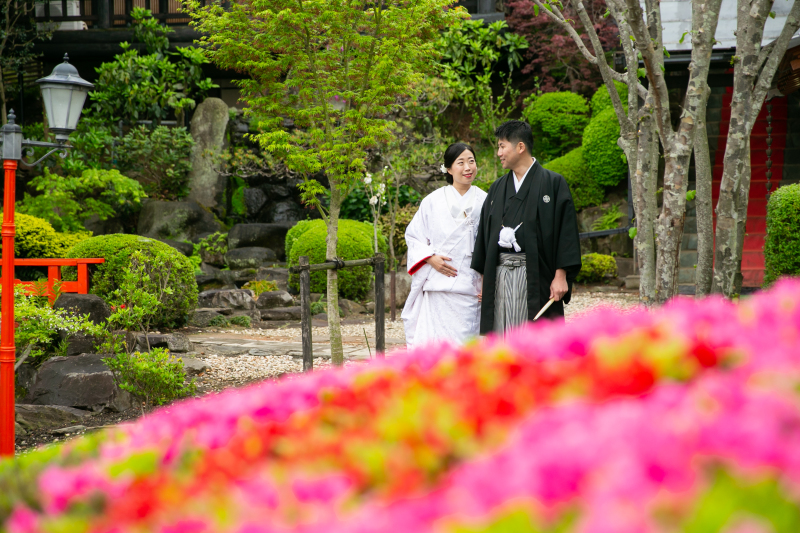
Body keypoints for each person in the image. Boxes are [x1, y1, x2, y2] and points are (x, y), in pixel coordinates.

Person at [470, 120, 582, 335]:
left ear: (520, 147)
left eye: (502, 146)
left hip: (538, 276)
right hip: (500, 276)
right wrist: (485, 280)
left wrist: (561, 276)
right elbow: (485, 236)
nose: (498, 153)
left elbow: (565, 233)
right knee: (502, 333)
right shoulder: (497, 188)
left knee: (538, 337)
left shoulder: (553, 183)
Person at [402, 143, 488, 347]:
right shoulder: (432, 201)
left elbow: (491, 244)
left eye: (471, 161)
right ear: (449, 169)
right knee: (437, 346)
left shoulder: (486, 200)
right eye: (461, 162)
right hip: (439, 286)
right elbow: (414, 236)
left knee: (468, 346)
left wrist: (487, 280)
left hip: (471, 286)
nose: (468, 167)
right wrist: (430, 258)